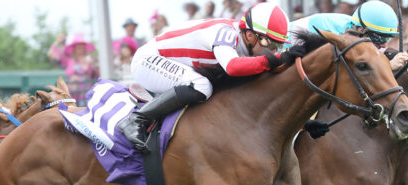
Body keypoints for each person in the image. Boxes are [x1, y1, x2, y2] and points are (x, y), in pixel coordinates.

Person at [117, 2, 291, 151]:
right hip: (148, 61)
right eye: (270, 43)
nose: (274, 51)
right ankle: (136, 119)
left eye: (279, 46)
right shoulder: (226, 34)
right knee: (202, 86)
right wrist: (274, 60)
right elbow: (232, 67)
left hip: (170, 64)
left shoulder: (245, 41)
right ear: (250, 35)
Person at [288, 1, 408, 71]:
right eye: (380, 38)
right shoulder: (334, 34)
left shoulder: (354, 28)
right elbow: (348, 73)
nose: (384, 44)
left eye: (388, 38)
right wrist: (388, 67)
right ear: (361, 30)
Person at [48, 33, 99, 103]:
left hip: (87, 96)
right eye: (77, 46)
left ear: (85, 47)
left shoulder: (91, 59)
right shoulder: (68, 60)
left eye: (82, 45)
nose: (79, 47)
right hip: (71, 97)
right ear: (73, 48)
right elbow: (51, 54)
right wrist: (57, 42)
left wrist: (93, 64)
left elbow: (98, 74)